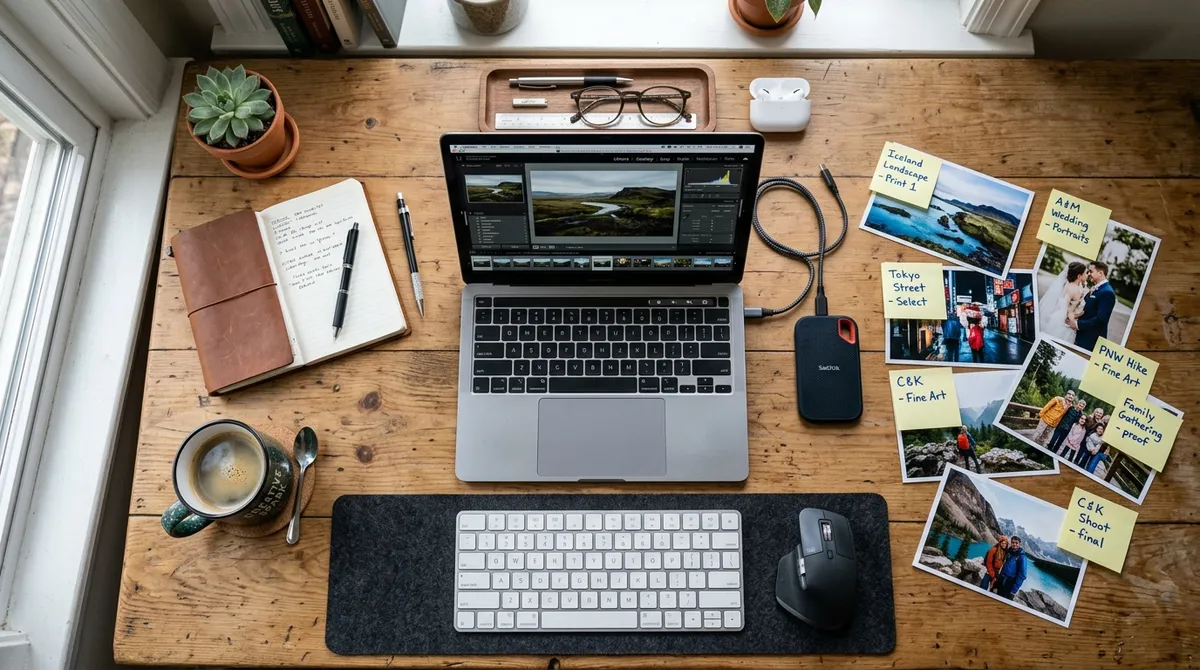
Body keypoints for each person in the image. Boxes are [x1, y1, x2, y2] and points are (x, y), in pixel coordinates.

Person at [1068, 260, 1116, 352]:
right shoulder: (1097, 288)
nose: (1089, 274)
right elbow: (1089, 308)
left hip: (1091, 340)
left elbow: (1101, 319)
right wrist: (1078, 315)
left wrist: (1078, 324)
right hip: (1082, 335)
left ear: (1100, 273)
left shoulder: (1107, 292)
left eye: (1091, 271)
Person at [1040, 261, 1089, 343]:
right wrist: (1079, 315)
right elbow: (1070, 310)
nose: (1087, 275)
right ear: (1079, 276)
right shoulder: (1077, 290)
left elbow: (1063, 304)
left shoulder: (1067, 285)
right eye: (1086, 273)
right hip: (1064, 321)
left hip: (1056, 316)